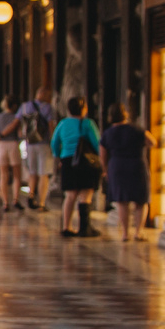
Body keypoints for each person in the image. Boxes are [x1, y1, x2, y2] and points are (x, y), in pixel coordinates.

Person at [52, 96, 103, 237]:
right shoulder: (87, 123)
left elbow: (54, 142)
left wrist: (59, 156)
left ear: (68, 109)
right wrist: (101, 160)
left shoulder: (62, 124)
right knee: (85, 194)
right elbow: (97, 142)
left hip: (68, 160)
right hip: (85, 161)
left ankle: (66, 227)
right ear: (84, 108)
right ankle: (84, 228)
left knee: (70, 195)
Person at [102, 104, 151, 240]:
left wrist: (105, 170)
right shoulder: (136, 129)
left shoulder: (108, 133)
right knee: (140, 200)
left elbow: (103, 154)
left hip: (117, 167)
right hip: (136, 165)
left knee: (121, 201)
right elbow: (152, 141)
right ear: (126, 114)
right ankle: (138, 232)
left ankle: (125, 233)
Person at [17, 87, 56, 212]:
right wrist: (53, 142)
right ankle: (42, 203)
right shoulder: (48, 108)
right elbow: (51, 125)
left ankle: (31, 195)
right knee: (43, 174)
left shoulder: (24, 106)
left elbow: (17, 122)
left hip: (30, 143)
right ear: (44, 95)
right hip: (43, 143)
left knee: (32, 172)